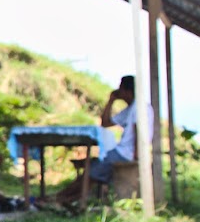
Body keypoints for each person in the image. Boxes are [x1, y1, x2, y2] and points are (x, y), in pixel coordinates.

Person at [58, 75, 141, 204]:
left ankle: (63, 199)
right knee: (91, 169)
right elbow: (105, 123)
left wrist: (136, 154)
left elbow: (139, 131)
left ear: (126, 91)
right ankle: (64, 198)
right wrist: (111, 100)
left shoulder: (138, 108)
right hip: (121, 152)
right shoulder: (130, 109)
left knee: (90, 173)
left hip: (125, 154)